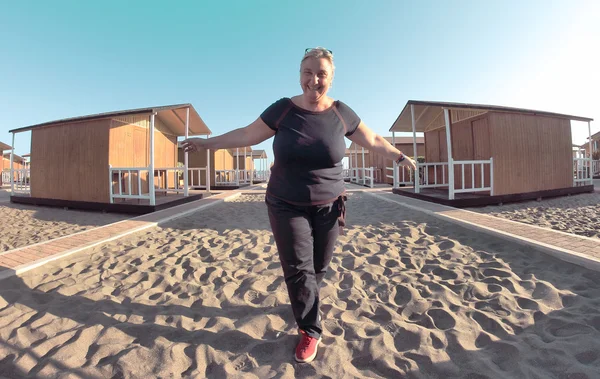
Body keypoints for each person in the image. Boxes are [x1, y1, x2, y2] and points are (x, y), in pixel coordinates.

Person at [182, 47, 416, 363]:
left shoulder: (341, 113)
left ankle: (302, 301)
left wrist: (399, 155)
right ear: (300, 74)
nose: (313, 80)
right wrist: (206, 143)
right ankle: (310, 330)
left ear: (330, 79)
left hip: (329, 204)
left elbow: (373, 139)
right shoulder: (283, 110)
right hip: (284, 202)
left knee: (318, 266)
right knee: (298, 267)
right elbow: (248, 134)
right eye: (308, 72)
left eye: (321, 74)